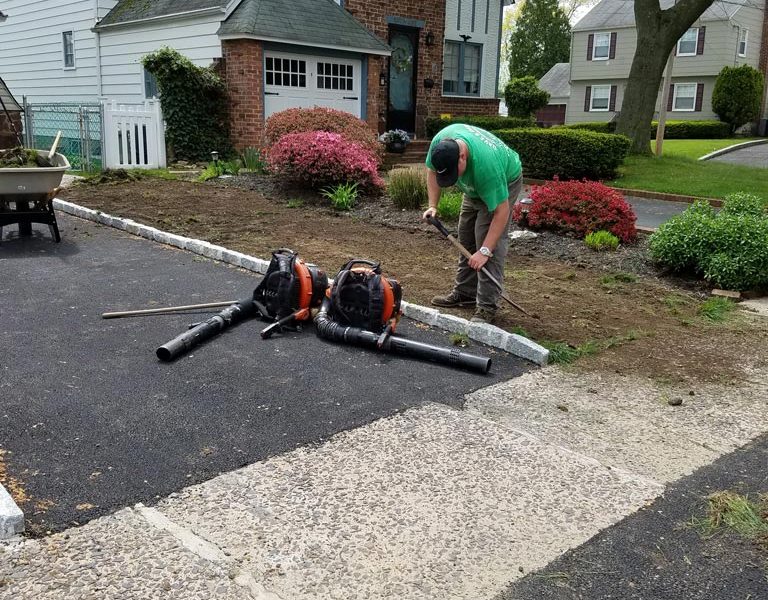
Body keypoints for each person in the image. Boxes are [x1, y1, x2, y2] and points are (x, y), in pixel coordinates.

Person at [422, 123, 523, 324]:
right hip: (474, 187)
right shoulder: (440, 146)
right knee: (466, 235)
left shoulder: (487, 168)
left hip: (504, 180)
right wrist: (433, 205)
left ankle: (487, 306)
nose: (452, 178)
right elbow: (432, 172)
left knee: (486, 240)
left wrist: (484, 251)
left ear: (462, 157)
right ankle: (465, 293)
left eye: (453, 172)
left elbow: (501, 213)